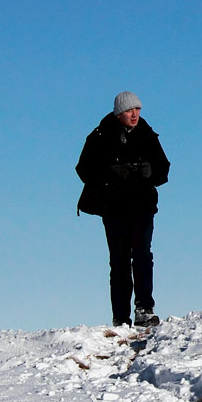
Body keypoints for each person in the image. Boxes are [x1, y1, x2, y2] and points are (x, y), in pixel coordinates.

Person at [76, 91, 170, 327]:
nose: (135, 114)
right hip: (114, 208)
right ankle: (120, 317)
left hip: (142, 206)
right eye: (130, 110)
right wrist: (111, 173)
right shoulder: (99, 136)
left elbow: (164, 167)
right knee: (118, 262)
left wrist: (150, 171)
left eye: (138, 109)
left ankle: (145, 309)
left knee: (142, 256)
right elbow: (83, 169)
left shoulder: (148, 135)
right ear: (119, 113)